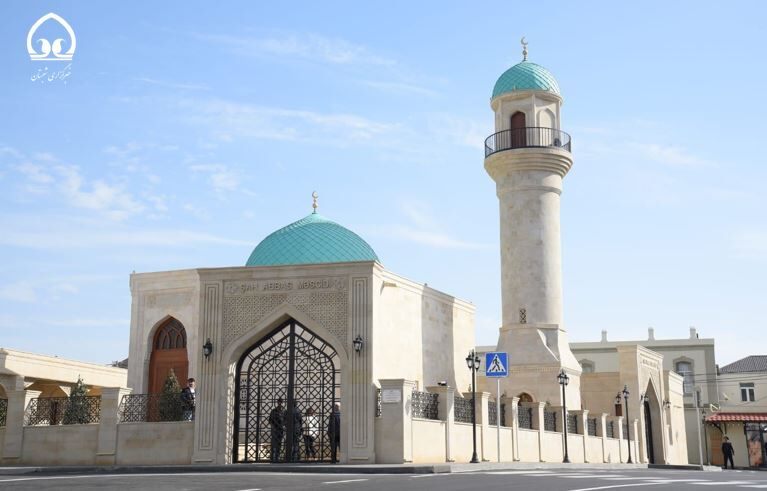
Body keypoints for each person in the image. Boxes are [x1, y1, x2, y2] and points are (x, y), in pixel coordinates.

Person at [269, 398, 286, 463]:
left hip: (281, 430)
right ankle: (272, 457)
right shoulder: (273, 411)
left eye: (281, 402)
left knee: (279, 443)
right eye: (279, 402)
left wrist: (284, 427)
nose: (280, 403)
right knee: (274, 443)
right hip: (275, 430)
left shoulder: (284, 411)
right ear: (277, 402)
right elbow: (270, 421)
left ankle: (277, 457)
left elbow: (286, 420)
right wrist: (273, 428)